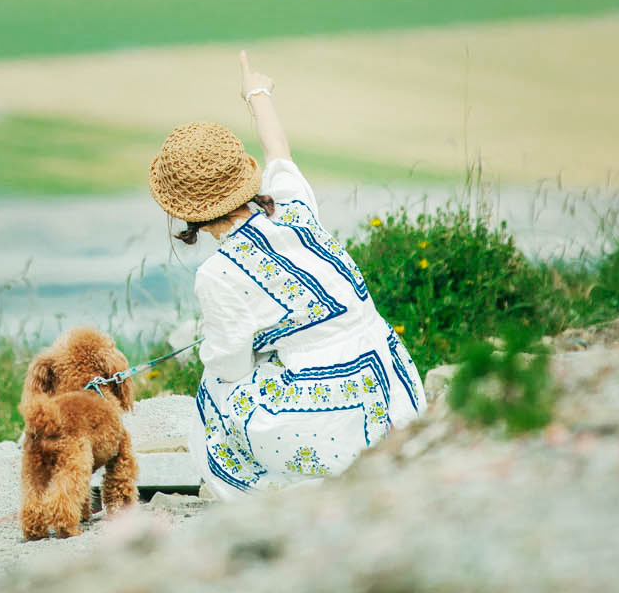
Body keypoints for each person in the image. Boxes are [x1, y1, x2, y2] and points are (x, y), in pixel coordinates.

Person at [149, 51, 424, 495]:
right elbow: (279, 151)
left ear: (182, 211)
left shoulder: (218, 274)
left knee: (215, 392)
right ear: (241, 176)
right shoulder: (292, 206)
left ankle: (268, 486)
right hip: (394, 388)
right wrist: (256, 92)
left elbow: (231, 365)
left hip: (337, 416)